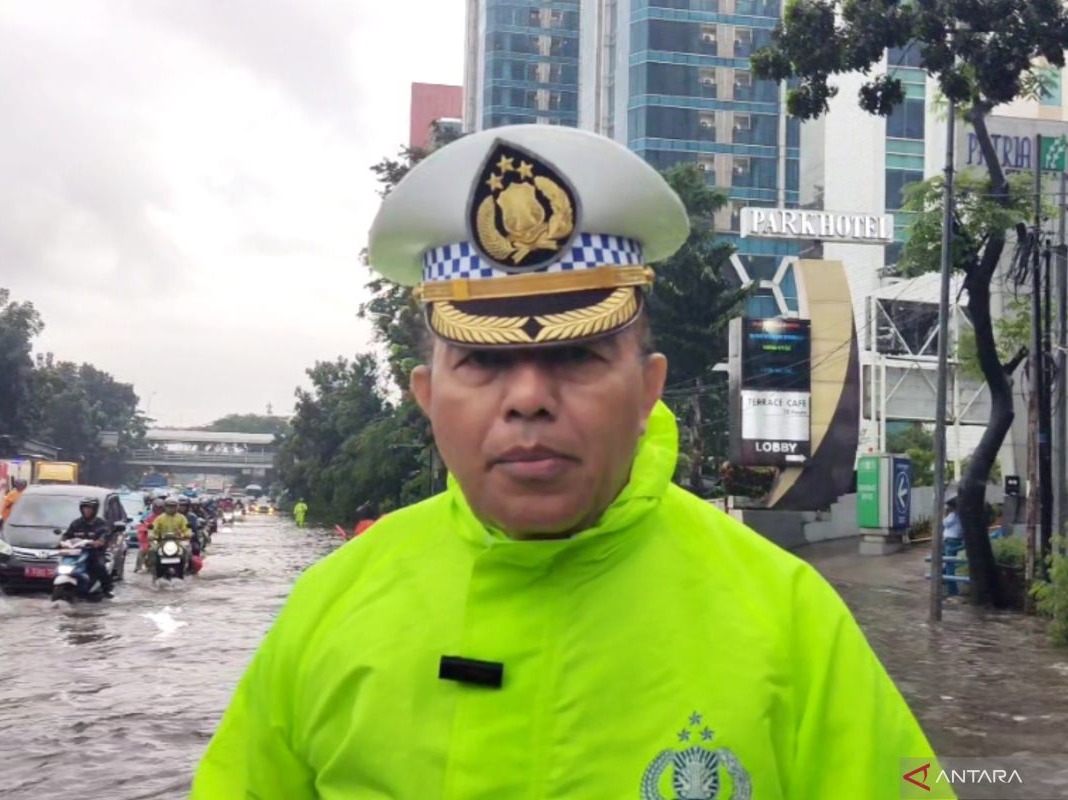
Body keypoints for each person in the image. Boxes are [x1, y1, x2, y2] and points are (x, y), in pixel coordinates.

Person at [191, 125, 940, 798]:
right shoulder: (329, 611)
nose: (528, 399)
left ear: (647, 389)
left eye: (577, 353)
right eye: (483, 362)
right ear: (426, 396)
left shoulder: (789, 620)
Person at [62, 496, 113, 598]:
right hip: (77, 554)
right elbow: (67, 535)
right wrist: (62, 542)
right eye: (85, 508)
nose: (87, 510)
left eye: (89, 508)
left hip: (94, 553)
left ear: (95, 509)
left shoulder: (100, 523)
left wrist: (98, 542)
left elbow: (104, 536)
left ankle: (107, 588)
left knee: (99, 566)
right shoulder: (76, 523)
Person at [149, 496, 191, 565]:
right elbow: (153, 528)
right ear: (165, 507)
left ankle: (185, 565)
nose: (171, 508)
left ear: (177, 507)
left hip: (178, 540)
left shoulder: (182, 518)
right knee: (152, 550)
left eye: (173, 506)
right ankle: (153, 567)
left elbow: (187, 528)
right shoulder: (159, 518)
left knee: (186, 549)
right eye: (169, 506)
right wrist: (151, 535)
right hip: (161, 541)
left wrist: (187, 534)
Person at [942, 497, 964, 597]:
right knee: (948, 562)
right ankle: (943, 579)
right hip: (958, 540)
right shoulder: (961, 515)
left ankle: (952, 590)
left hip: (950, 541)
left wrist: (945, 513)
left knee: (950, 565)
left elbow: (944, 523)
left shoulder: (953, 515)